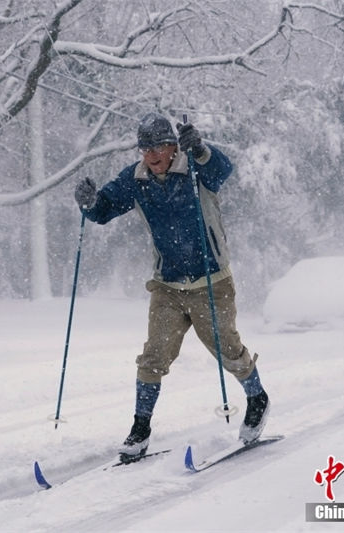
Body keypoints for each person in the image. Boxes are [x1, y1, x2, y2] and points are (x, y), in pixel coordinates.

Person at [74, 112, 270, 461]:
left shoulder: (196, 167)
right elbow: (104, 210)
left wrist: (202, 150)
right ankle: (140, 428)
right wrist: (89, 203)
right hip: (167, 285)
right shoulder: (135, 179)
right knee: (154, 356)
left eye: (157, 147)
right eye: (144, 149)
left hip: (211, 281)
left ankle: (258, 398)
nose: (151, 155)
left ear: (172, 146)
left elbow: (222, 171)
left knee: (227, 349)